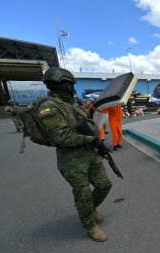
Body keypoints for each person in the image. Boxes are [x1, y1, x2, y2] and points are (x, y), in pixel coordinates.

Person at [37, 67, 112, 241]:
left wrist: (99, 146)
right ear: (62, 85)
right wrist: (91, 140)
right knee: (83, 194)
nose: (72, 88)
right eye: (70, 85)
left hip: (89, 153)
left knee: (104, 185)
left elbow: (90, 127)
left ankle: (90, 209)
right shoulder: (49, 106)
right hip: (71, 160)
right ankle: (89, 225)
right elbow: (61, 137)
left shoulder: (70, 104)